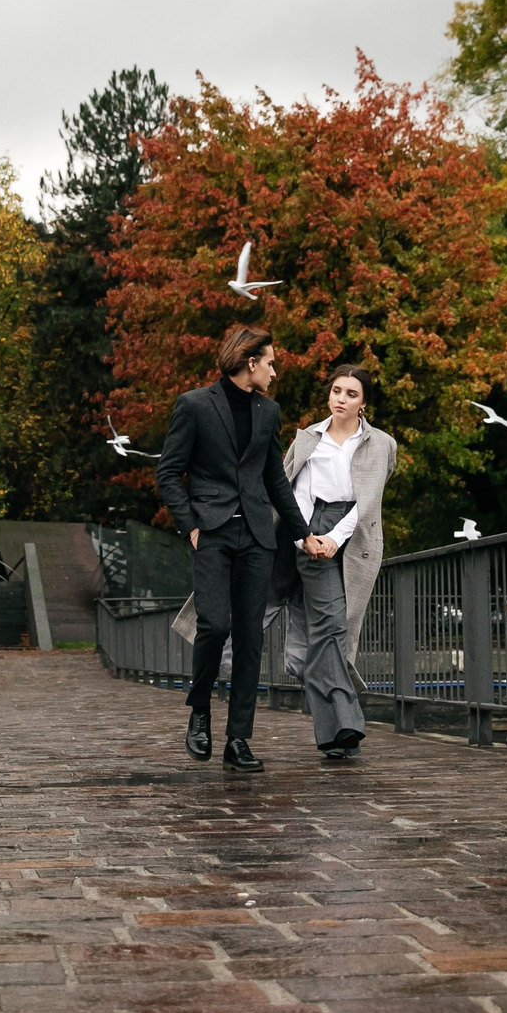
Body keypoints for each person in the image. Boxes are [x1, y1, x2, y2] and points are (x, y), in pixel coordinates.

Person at [156, 325, 316, 770]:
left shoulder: (269, 412)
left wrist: (303, 534)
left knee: (250, 638)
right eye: (270, 361)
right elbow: (169, 473)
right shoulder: (194, 405)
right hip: (212, 532)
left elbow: (275, 480)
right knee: (214, 624)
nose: (275, 370)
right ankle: (200, 709)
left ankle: (239, 740)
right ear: (250, 363)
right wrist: (190, 527)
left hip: (258, 539)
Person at [280, 365, 398, 761]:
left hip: (357, 534)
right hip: (311, 531)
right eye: (336, 391)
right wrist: (306, 538)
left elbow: (369, 502)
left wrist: (336, 538)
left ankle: (333, 737)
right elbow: (296, 493)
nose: (340, 399)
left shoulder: (381, 444)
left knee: (327, 638)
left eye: (351, 393)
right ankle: (348, 721)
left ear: (364, 403)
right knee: (331, 625)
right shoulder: (308, 438)